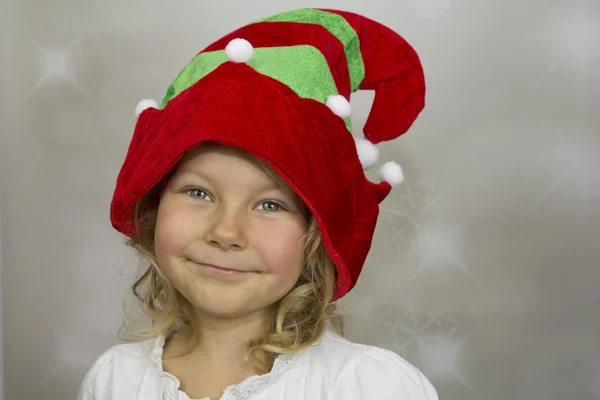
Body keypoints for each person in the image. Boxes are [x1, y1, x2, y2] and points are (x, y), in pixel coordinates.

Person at [77, 7, 438, 400]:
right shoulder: (113, 380)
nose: (226, 232)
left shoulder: (367, 387)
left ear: (317, 233)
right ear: (154, 206)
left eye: (270, 205)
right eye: (199, 193)